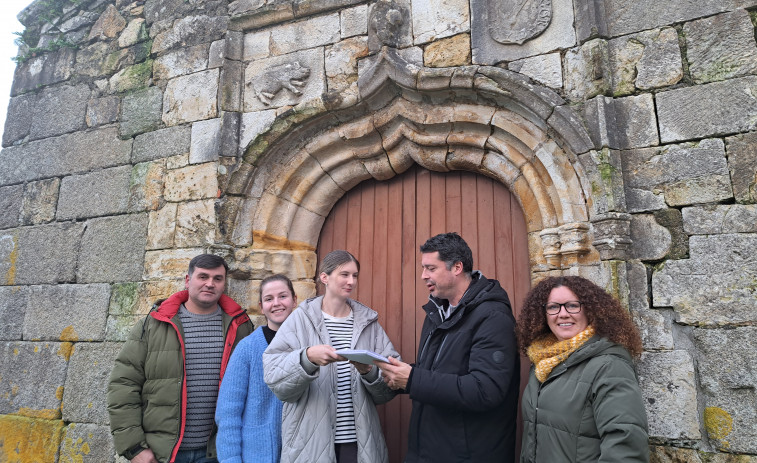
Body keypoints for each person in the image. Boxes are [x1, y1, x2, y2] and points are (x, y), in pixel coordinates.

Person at [377, 232, 520, 463]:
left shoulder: (493, 317)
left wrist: (412, 379)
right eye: (423, 268)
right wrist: (394, 372)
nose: (423, 276)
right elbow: (435, 373)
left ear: (457, 267)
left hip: (467, 456)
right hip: (425, 452)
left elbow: (485, 390)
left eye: (431, 268)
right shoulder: (437, 312)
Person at [108, 254, 254, 463]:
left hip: (217, 453)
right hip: (164, 454)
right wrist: (134, 448)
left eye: (217, 278)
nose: (209, 284)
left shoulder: (240, 327)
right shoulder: (153, 325)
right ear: (188, 280)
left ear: (224, 284)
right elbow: (123, 385)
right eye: (203, 277)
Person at [263, 250, 399, 463]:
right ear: (324, 277)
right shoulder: (300, 319)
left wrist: (370, 372)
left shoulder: (369, 323)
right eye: (344, 274)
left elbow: (390, 387)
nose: (351, 281)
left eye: (355, 275)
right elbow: (275, 380)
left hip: (360, 444)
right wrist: (307, 358)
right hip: (309, 444)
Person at [516, 275, 648, 463]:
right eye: (553, 307)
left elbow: (626, 444)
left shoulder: (609, 366)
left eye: (572, 305)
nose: (562, 314)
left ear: (590, 310)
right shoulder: (543, 362)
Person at [215, 274, 298, 463]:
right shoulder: (247, 349)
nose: (276, 303)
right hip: (258, 455)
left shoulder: (310, 347)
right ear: (261, 306)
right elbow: (228, 413)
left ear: (294, 300)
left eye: (283, 296)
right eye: (269, 299)